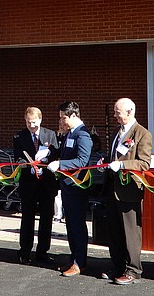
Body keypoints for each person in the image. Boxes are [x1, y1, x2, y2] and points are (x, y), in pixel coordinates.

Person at [101, 98, 152, 285]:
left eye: (117, 112)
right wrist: (105, 163)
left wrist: (122, 164)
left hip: (129, 190)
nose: (115, 115)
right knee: (114, 231)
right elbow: (113, 156)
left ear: (129, 112)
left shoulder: (142, 134)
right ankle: (118, 266)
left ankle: (133, 270)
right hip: (112, 189)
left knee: (131, 232)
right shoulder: (117, 132)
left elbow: (144, 163)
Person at [46, 101, 92, 277]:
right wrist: (49, 155)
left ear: (73, 115)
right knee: (71, 226)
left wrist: (60, 164)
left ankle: (80, 262)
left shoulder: (83, 135)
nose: (61, 121)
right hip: (68, 186)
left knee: (77, 226)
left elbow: (82, 161)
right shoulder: (70, 134)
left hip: (77, 186)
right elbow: (63, 153)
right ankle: (74, 258)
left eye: (63, 117)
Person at [13, 106, 59, 265]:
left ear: (40, 119)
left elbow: (56, 154)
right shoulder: (19, 136)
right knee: (27, 218)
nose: (31, 125)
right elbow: (18, 158)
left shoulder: (51, 134)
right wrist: (29, 167)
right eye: (28, 122)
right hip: (28, 183)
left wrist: (47, 158)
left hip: (47, 182)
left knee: (46, 218)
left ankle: (43, 252)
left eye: (33, 122)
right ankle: (24, 252)